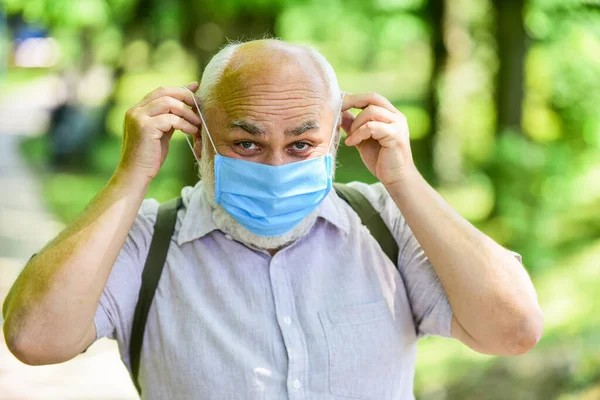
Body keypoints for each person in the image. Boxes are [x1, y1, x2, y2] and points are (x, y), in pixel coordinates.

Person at [2, 39, 542, 399]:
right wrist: (129, 177)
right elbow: (34, 339)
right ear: (198, 139)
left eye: (302, 143)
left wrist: (405, 182)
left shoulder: (385, 227)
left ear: (336, 138)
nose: (277, 165)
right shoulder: (148, 243)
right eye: (247, 143)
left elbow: (514, 329)